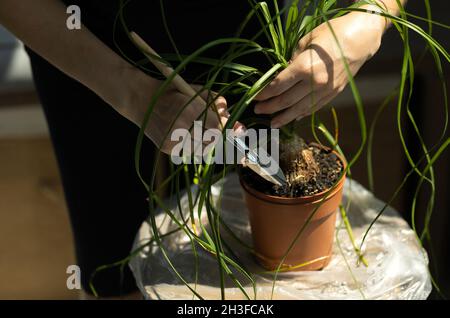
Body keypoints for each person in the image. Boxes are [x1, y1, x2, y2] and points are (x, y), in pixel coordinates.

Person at [0, 0, 405, 298]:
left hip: (250, 45)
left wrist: (372, 15)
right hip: (87, 45)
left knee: (237, 278)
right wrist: (130, 93)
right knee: (112, 267)